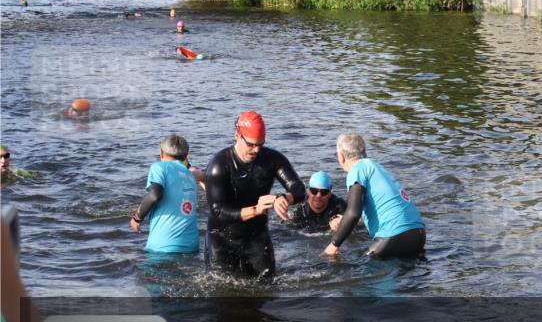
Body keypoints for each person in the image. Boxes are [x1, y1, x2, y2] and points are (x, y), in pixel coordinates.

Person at [204, 111, 305, 279]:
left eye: (260, 144)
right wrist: (256, 210)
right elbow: (218, 211)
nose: (256, 150)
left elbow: (299, 189)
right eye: (251, 144)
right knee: (221, 293)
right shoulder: (219, 164)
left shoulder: (272, 159)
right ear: (237, 135)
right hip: (221, 238)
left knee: (268, 286)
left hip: (256, 236)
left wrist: (283, 198)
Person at [325, 133, 425, 259]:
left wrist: (334, 244)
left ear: (341, 157)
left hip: (394, 235)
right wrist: (344, 220)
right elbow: (376, 209)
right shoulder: (376, 167)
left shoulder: (356, 170)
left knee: (351, 267)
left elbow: (353, 213)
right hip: (418, 234)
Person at [130, 134, 200, 253]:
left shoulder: (159, 167)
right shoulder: (190, 174)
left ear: (161, 152)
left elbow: (154, 195)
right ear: (186, 156)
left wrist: (137, 218)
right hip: (192, 245)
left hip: (164, 247)